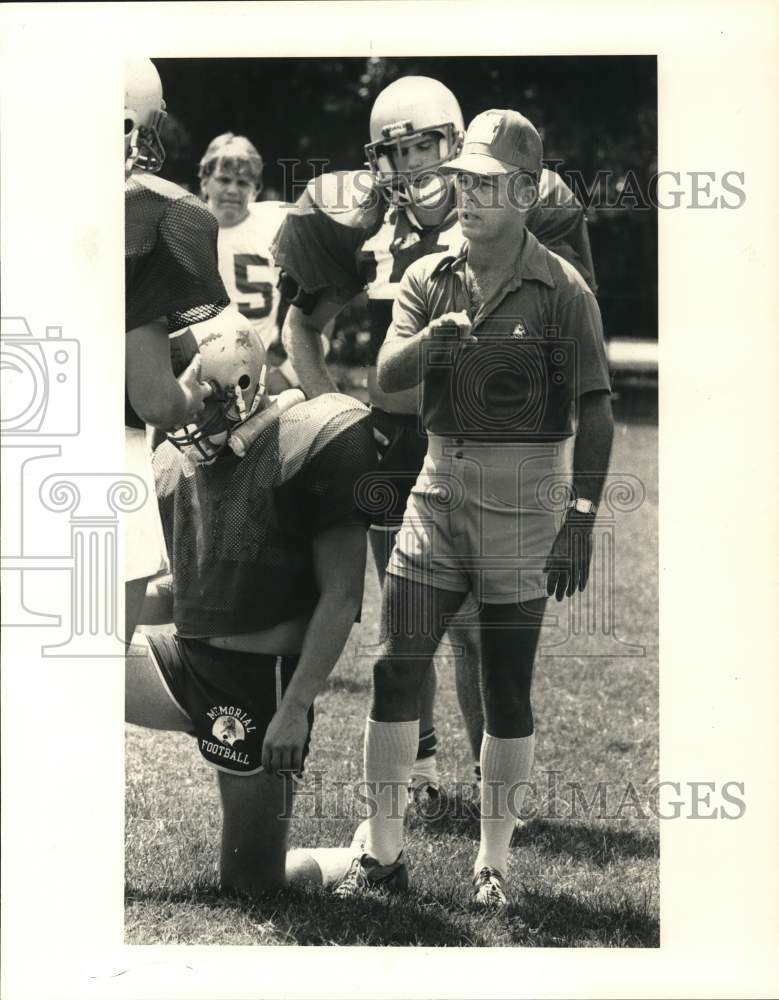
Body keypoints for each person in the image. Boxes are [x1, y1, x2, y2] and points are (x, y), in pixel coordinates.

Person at [271, 75, 598, 807]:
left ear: (457, 144)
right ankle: (415, 776)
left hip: (483, 448)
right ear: (376, 160)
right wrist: (330, 404)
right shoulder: (360, 221)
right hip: (391, 441)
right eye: (397, 151)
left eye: (426, 146)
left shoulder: (519, 209)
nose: (413, 165)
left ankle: (491, 782)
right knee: (407, 628)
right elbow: (302, 325)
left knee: (479, 633)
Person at [333, 109, 614, 909]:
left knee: (505, 686)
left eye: (487, 183)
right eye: (462, 180)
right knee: (395, 667)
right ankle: (382, 854)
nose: (468, 195)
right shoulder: (429, 274)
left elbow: (595, 408)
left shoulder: (563, 291)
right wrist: (433, 346)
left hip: (524, 502)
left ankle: (492, 865)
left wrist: (583, 515)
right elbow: (386, 376)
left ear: (525, 192)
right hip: (435, 488)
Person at [126, 306, 376, 897]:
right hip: (180, 661)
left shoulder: (306, 441)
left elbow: (341, 595)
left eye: (199, 398)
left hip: (257, 683)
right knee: (57, 674)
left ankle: (356, 857)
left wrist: (295, 706)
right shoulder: (172, 462)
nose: (184, 414)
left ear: (240, 387)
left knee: (251, 884)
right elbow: (183, 593)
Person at [124, 58, 227, 644]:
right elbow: (154, 401)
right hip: (100, 463)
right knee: (87, 674)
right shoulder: (145, 213)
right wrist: (195, 390)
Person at [198, 132, 319, 394]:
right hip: (191, 372)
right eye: (224, 179)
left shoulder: (275, 222)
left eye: (242, 182)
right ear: (205, 181)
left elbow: (322, 297)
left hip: (255, 377)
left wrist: (288, 374)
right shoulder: (184, 226)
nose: (232, 189)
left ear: (256, 188)